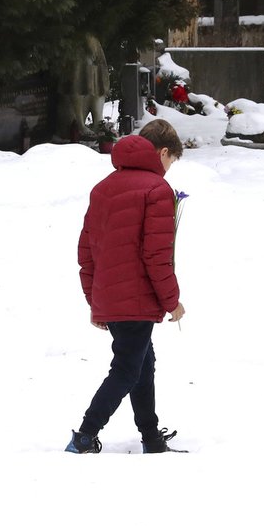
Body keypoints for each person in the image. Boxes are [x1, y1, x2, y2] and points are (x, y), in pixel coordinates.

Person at [66, 118, 187, 454]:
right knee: (126, 370)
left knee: (141, 364)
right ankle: (85, 436)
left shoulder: (103, 187)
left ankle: (151, 438)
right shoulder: (156, 190)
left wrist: (95, 300)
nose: (169, 168)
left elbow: (86, 250)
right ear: (162, 152)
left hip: (112, 295)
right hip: (137, 298)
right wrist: (171, 300)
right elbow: (156, 255)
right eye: (171, 160)